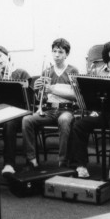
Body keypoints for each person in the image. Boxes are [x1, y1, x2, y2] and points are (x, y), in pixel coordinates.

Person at [70, 41, 110, 181]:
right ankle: (81, 165)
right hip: (103, 112)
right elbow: (92, 94)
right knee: (79, 125)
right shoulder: (99, 71)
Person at [21, 38, 79, 169]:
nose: (57, 55)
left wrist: (53, 89)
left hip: (66, 109)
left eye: (60, 52)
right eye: (54, 51)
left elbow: (76, 96)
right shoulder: (47, 71)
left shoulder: (73, 71)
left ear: (66, 54)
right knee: (26, 120)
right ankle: (32, 159)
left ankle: (63, 161)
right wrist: (37, 90)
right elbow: (42, 98)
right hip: (49, 110)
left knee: (64, 120)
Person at [0, 45, 34, 177]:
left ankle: (9, 164)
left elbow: (28, 97)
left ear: (8, 56)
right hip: (2, 112)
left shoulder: (21, 73)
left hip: (20, 112)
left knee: (9, 123)